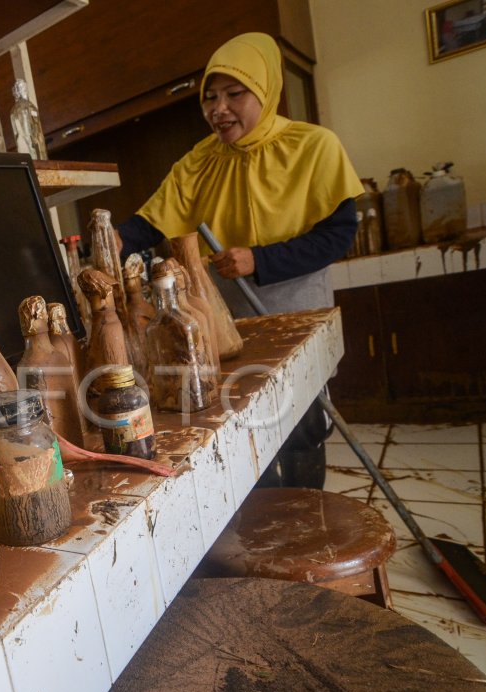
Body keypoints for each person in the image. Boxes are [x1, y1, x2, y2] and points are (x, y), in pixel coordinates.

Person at [117, 32, 362, 489]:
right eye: (210, 98)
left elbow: (338, 235)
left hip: (296, 305)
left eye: (235, 94)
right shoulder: (199, 162)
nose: (219, 109)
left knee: (303, 423)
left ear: (266, 92)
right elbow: (151, 224)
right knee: (247, 421)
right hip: (228, 319)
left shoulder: (313, 147)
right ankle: (265, 519)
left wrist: (260, 260)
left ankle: (309, 513)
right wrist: (113, 238)